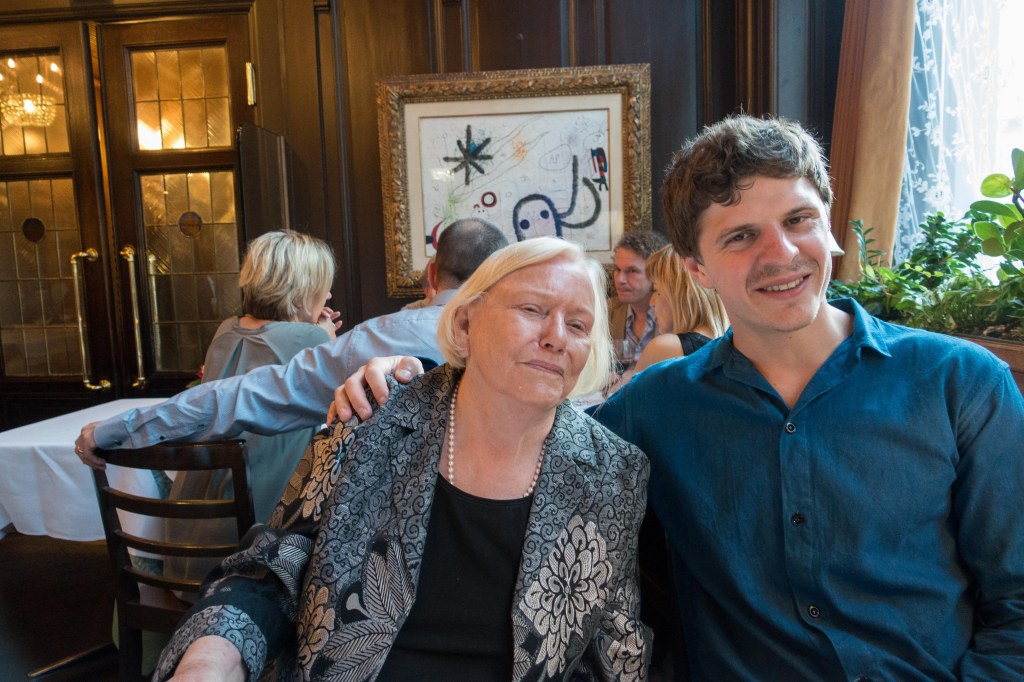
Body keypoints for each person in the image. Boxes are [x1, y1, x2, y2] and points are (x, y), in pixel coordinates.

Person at [333, 115, 1024, 679]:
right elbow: (525, 418)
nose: (782, 253)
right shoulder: (655, 407)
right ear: (696, 268)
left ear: (829, 224)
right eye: (741, 236)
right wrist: (416, 380)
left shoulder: (960, 383)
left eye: (799, 219)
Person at [153, 237, 652, 681]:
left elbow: (615, 646)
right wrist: (210, 661)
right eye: (533, 309)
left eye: (578, 324)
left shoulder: (612, 473)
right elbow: (271, 569)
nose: (556, 336)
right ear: (465, 324)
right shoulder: (371, 420)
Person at [73, 218, 509, 468]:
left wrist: (115, 429)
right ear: (503, 276)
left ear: (431, 275)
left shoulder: (376, 338)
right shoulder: (535, 343)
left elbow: (243, 395)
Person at [164, 228, 341, 589]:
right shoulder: (310, 339)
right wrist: (325, 338)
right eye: (323, 286)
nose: (328, 295)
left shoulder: (226, 330)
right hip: (257, 547)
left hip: (192, 540)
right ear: (303, 289)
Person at [609, 244, 729, 393]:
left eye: (657, 290)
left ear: (679, 296)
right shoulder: (729, 343)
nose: (652, 302)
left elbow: (625, 405)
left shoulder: (665, 347)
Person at [608, 230, 669, 362]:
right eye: (617, 269)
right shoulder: (607, 311)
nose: (620, 279)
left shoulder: (674, 315)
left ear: (655, 273)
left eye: (632, 271)